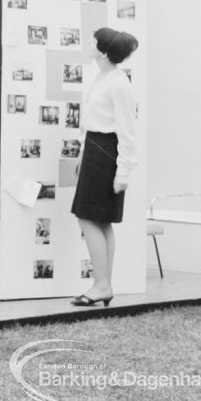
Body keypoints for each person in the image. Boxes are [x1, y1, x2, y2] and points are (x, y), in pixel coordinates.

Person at [70, 27, 139, 307]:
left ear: (102, 50)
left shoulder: (119, 83)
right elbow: (91, 122)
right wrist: (82, 154)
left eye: (93, 41)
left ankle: (101, 285)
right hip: (95, 149)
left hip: (107, 153)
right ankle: (104, 286)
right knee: (99, 219)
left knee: (88, 218)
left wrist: (123, 171)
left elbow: (127, 131)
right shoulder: (102, 77)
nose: (89, 43)